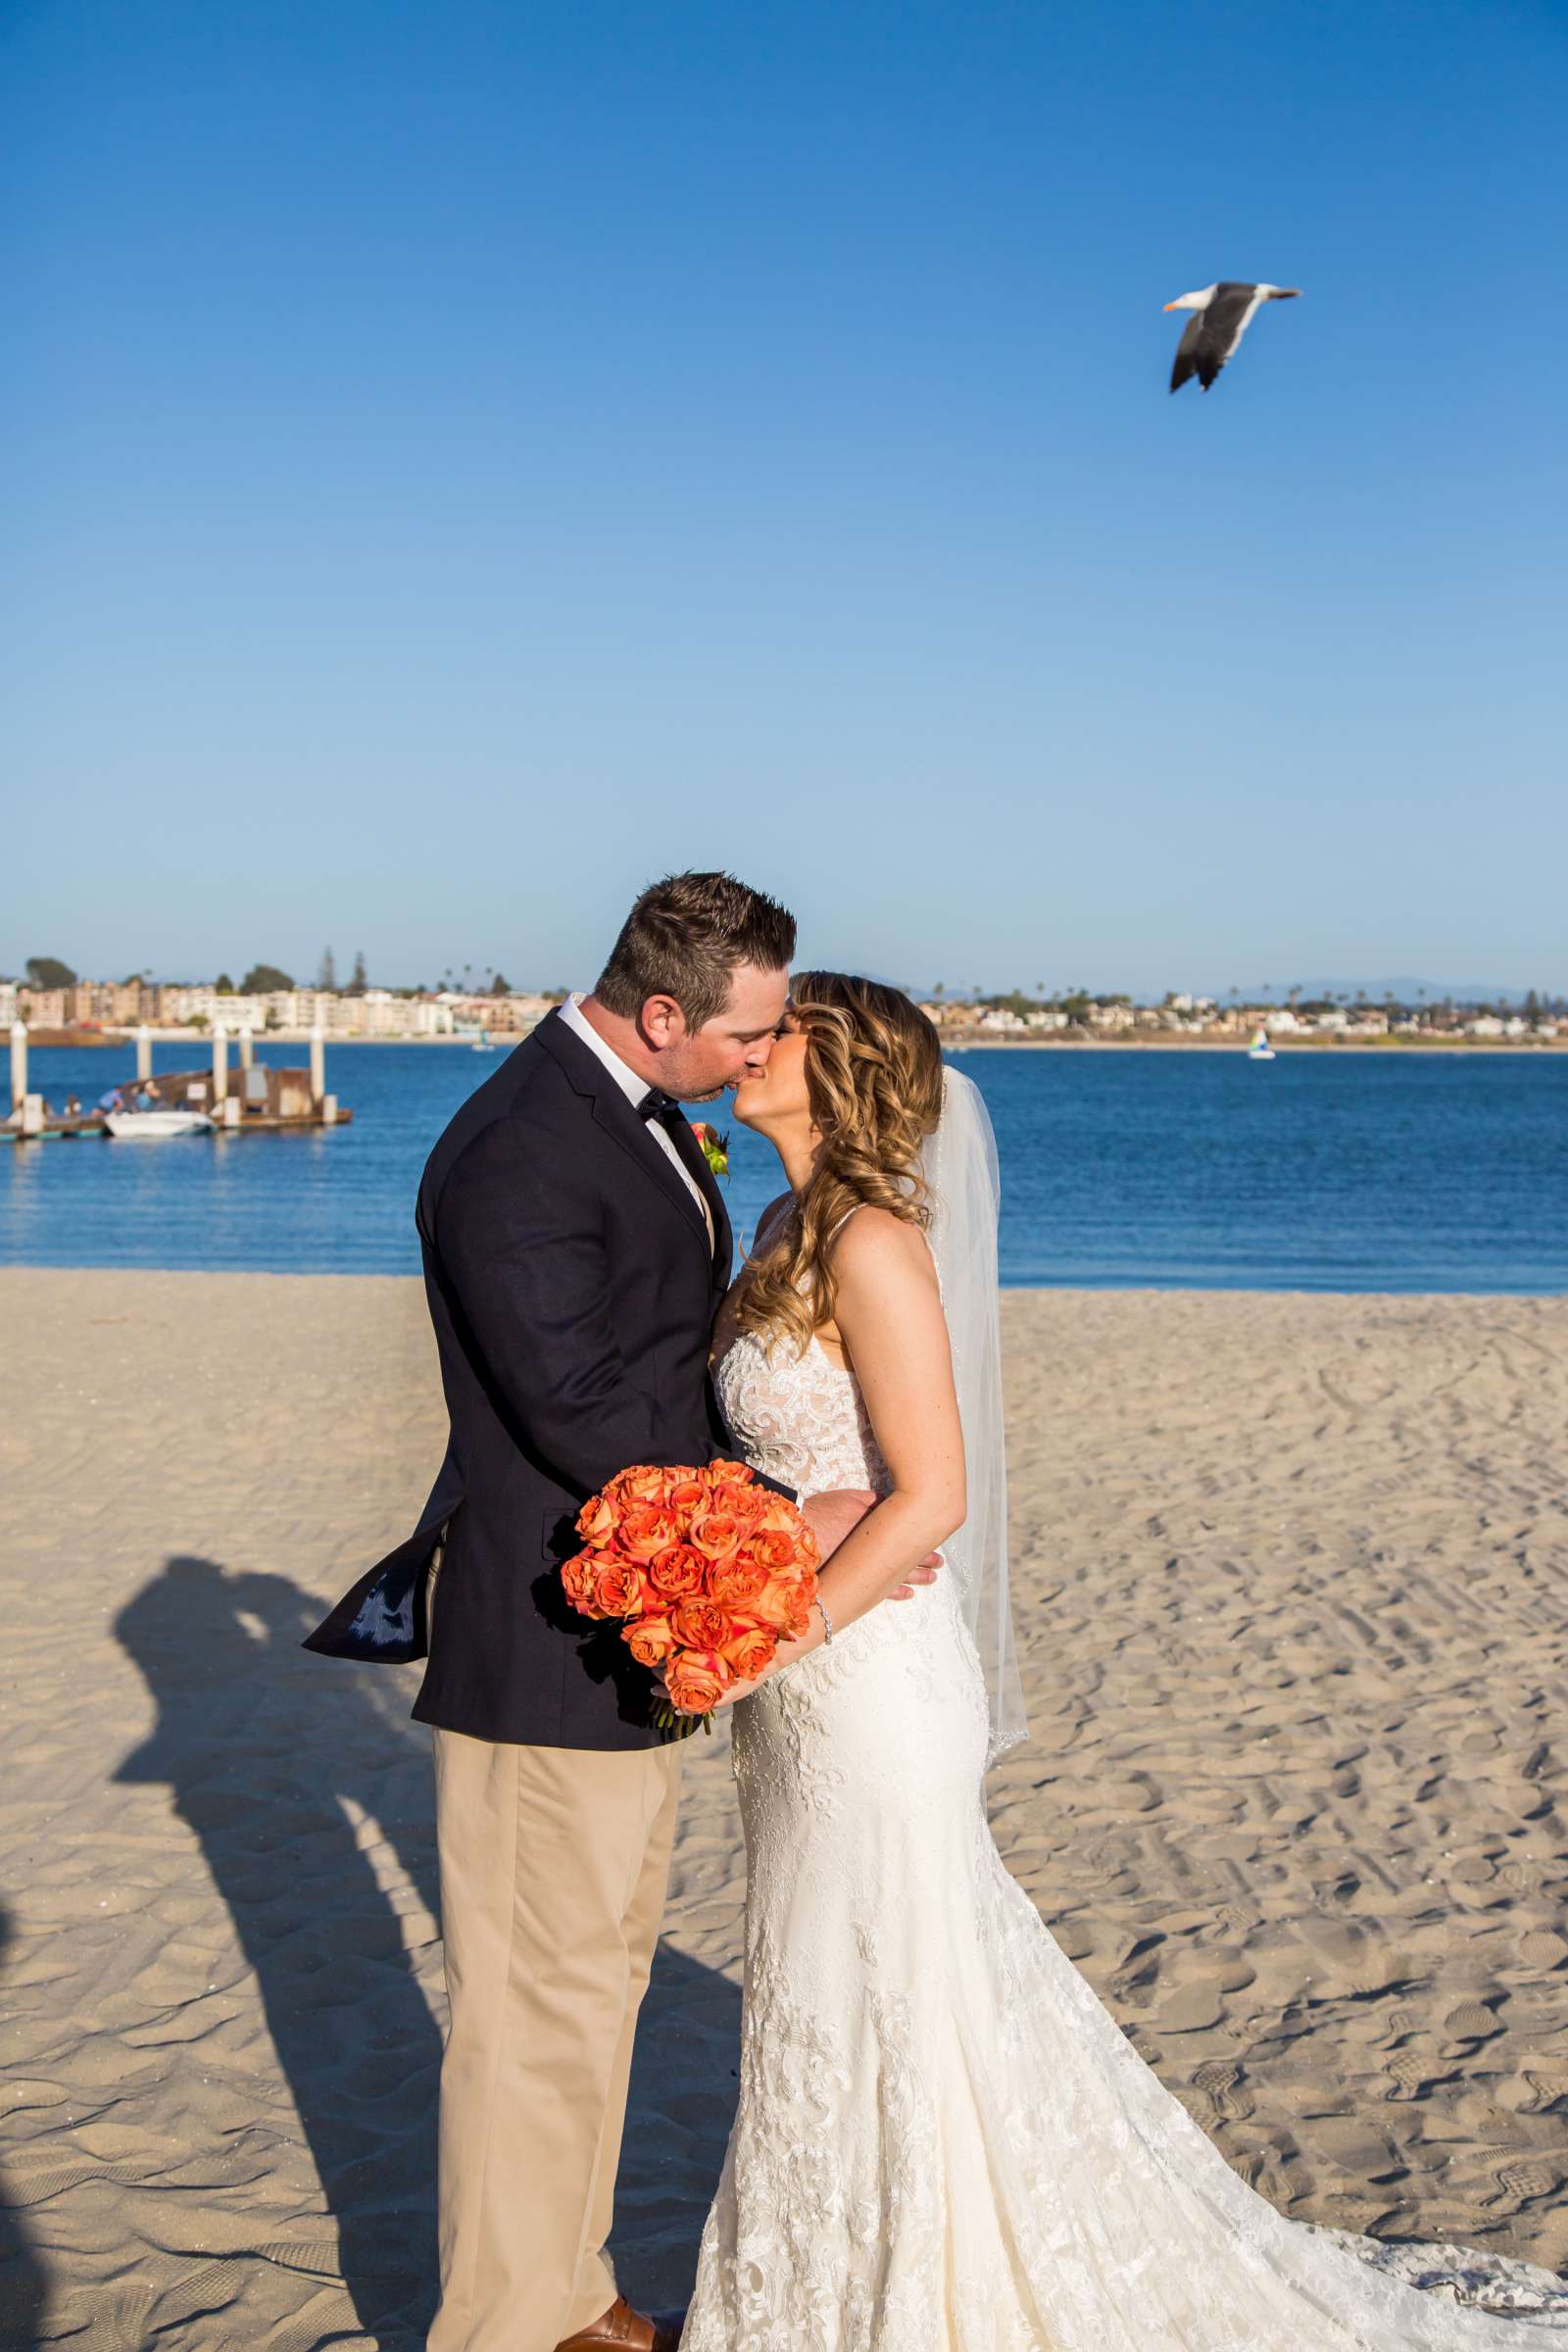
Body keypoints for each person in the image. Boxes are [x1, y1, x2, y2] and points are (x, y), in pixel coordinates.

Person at [678, 972, 1568, 2351]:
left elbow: (935, 1491)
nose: (750, 1045)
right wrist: (743, 1557)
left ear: (836, 1068)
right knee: (817, 1990)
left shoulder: (870, 1241)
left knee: (889, 1985)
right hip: (799, 1685)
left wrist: (775, 1626)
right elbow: (784, 1458)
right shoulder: (786, 1223)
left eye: (777, 1031)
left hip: (867, 1677)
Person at [304, 877, 937, 2352]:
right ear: (665, 1015)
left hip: (625, 1636)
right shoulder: (526, 1148)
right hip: (543, 1639)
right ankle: (501, 2325)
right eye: (748, 1030)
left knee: (590, 1986)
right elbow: (582, 1409)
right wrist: (786, 1513)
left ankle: (566, 2294)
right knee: (535, 2007)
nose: (760, 1052)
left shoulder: (621, 1116)